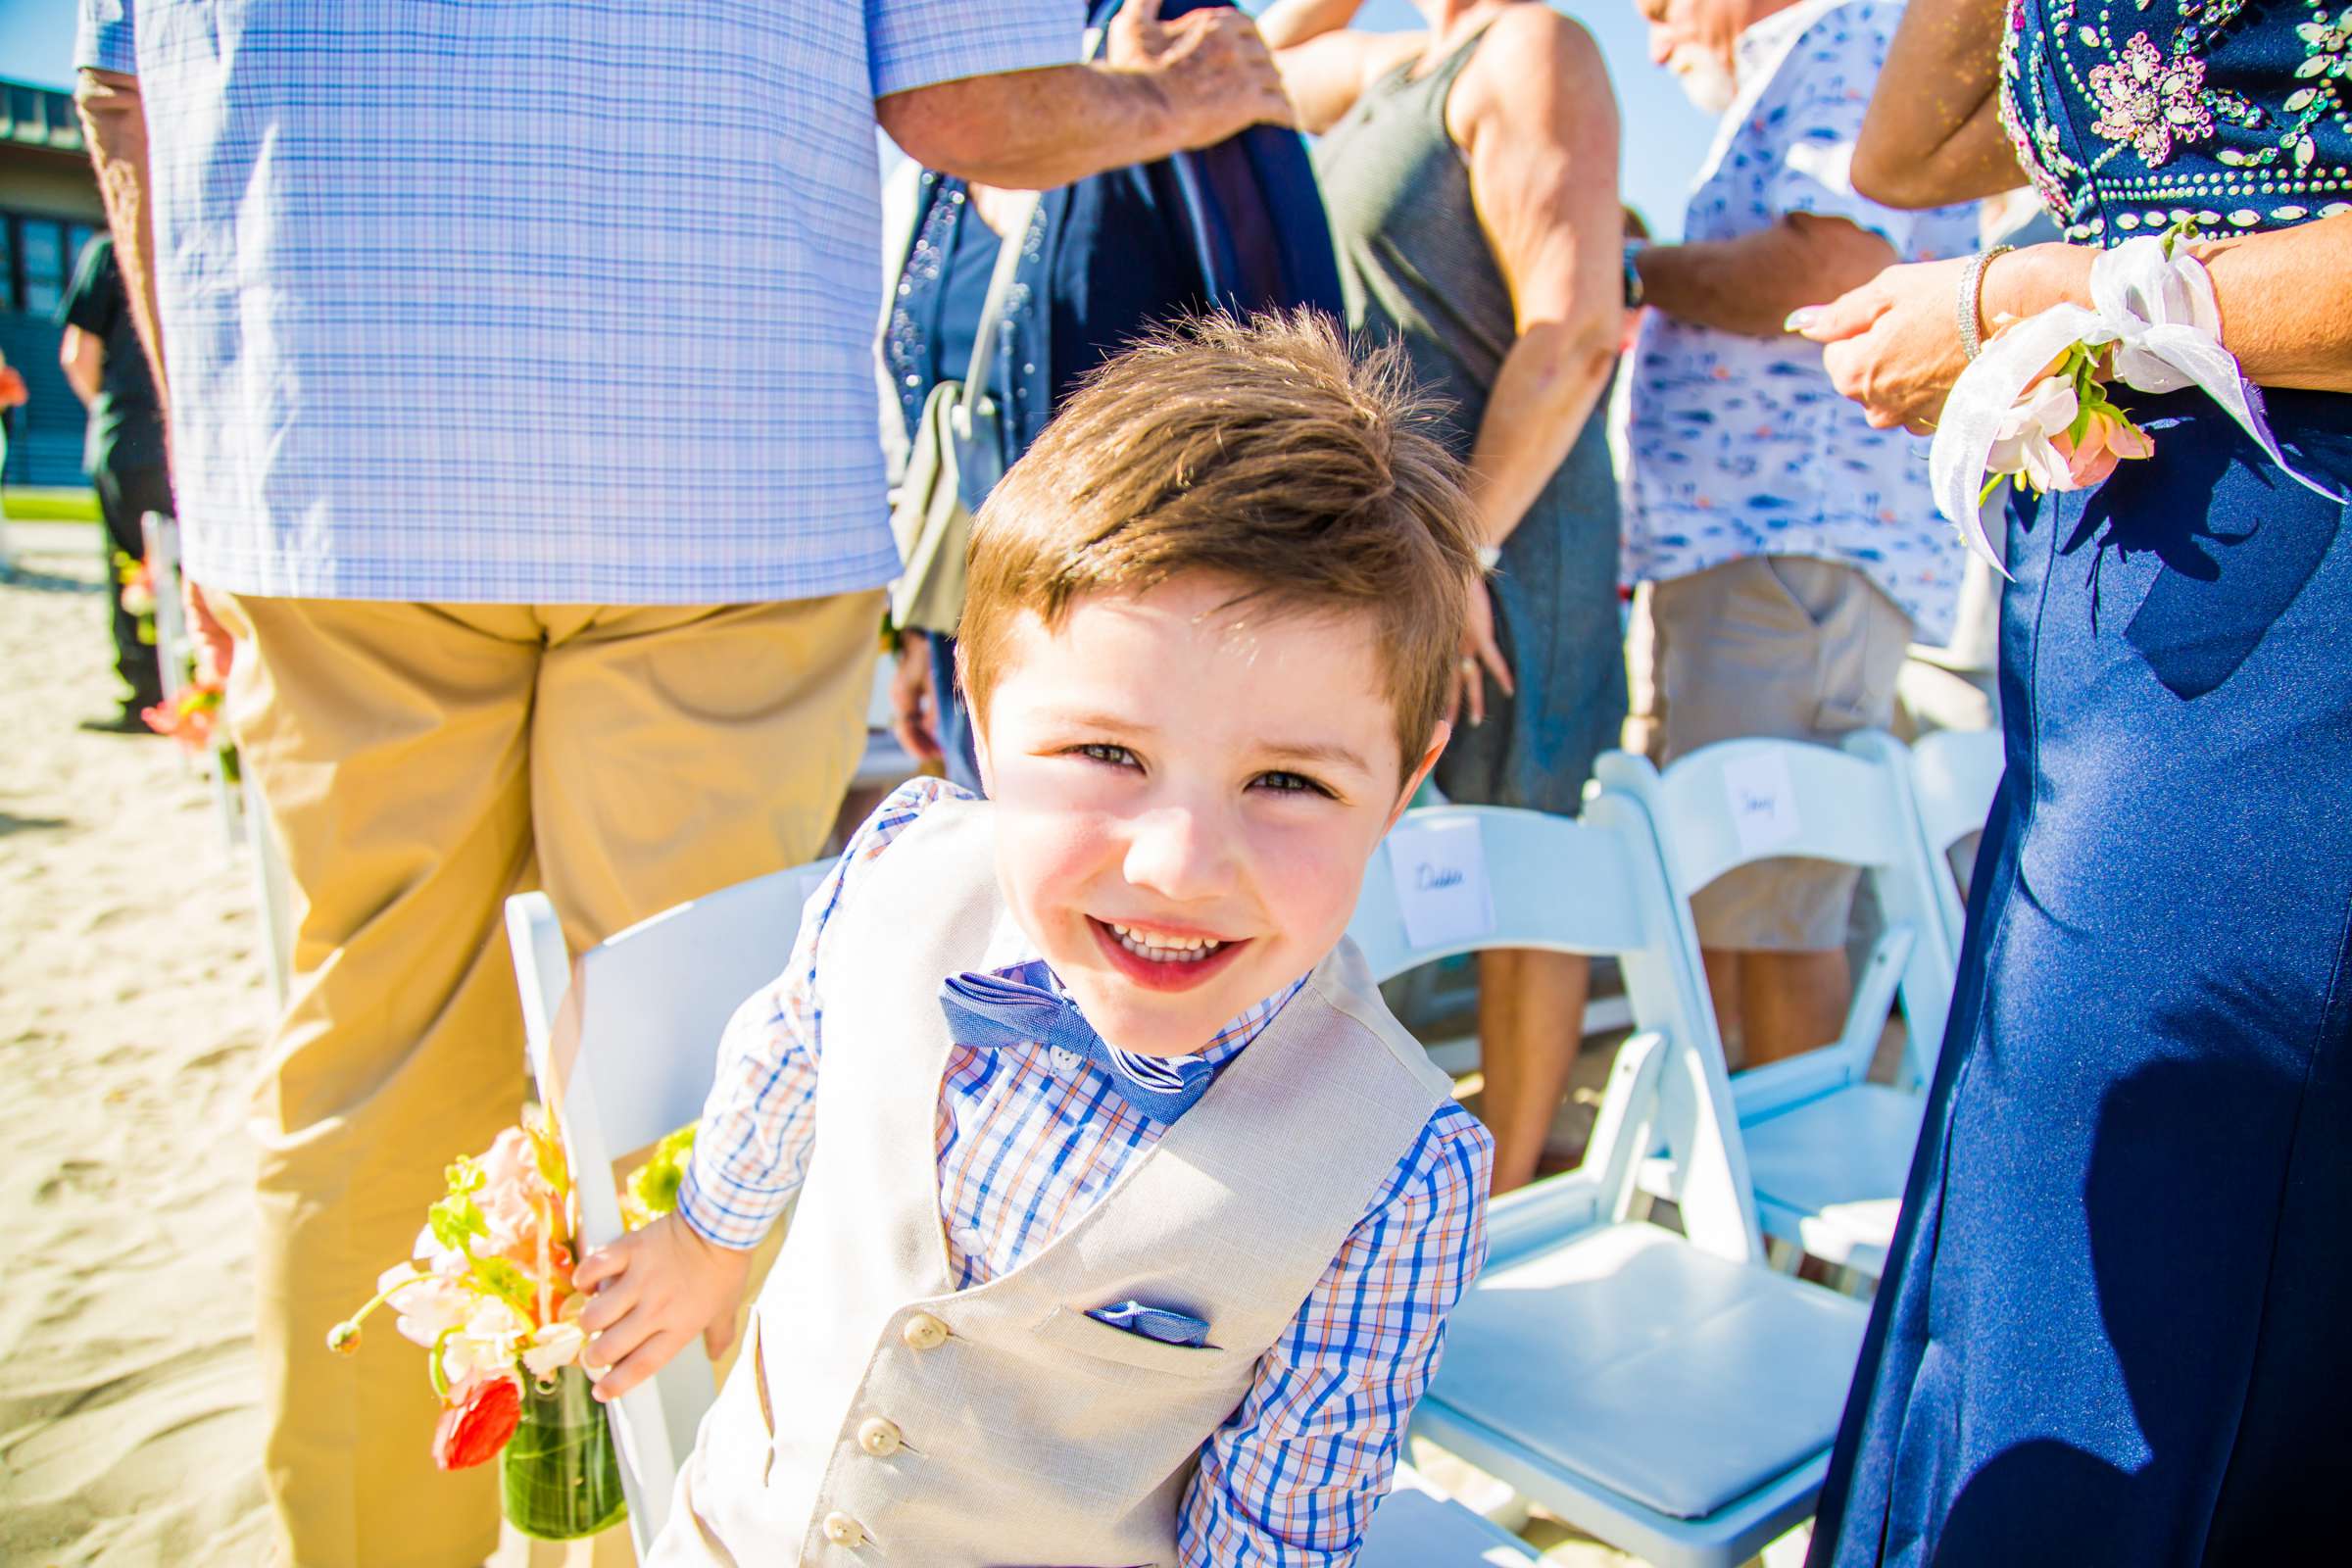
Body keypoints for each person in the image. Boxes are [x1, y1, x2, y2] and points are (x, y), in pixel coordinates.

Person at [71, 2, 1293, 1560]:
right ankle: (697, 1533)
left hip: (336, 439)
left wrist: (214, 449)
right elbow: (966, 106)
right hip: (712, 458)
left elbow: (124, 93)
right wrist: (1169, 95)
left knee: (372, 1063)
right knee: (697, 1085)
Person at [573, 314, 1494, 1566]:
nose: (1176, 864)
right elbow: (793, 1042)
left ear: (1403, 780)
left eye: (1288, 782)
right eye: (1108, 753)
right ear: (980, 710)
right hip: (731, 1530)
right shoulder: (900, 870)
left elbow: (1275, 1532)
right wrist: (704, 1241)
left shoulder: (1395, 1169)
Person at [1784, 0, 2352, 1557]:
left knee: (2162, 1222)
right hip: (2122, 588)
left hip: (2302, 583)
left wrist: (2044, 297)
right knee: (2056, 1177)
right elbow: (1906, 152)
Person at [1259, 0, 1630, 1193]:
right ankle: (1377, 1183)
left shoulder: (1536, 47)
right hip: (1394, 551)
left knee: (1526, 867)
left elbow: (1574, 332)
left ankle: (1511, 1204)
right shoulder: (1380, 68)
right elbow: (1237, 67)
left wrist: (1461, 548)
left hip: (1504, 542)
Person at [1618, 0, 1977, 1069]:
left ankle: (1788, 1227)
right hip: (1757, 552)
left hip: (1787, 547)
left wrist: (1635, 267)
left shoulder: (1844, 39)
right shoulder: (1820, 56)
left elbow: (1833, 269)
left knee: (1780, 909)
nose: (1654, 34)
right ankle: (1754, 1190)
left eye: (1666, 6)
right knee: (1744, 902)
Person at [884, 0, 1347, 792]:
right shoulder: (945, 118)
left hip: (1154, 706)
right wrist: (921, 638)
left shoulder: (1188, 50)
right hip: (985, 663)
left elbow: (1304, 387)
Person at [59, 230, 171, 731]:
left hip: (128, 438)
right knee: (187, 572)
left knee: (132, 571)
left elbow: (78, 354)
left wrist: (108, 409)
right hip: (190, 440)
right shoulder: (184, 233)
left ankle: (146, 697)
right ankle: (199, 691)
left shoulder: (112, 250)